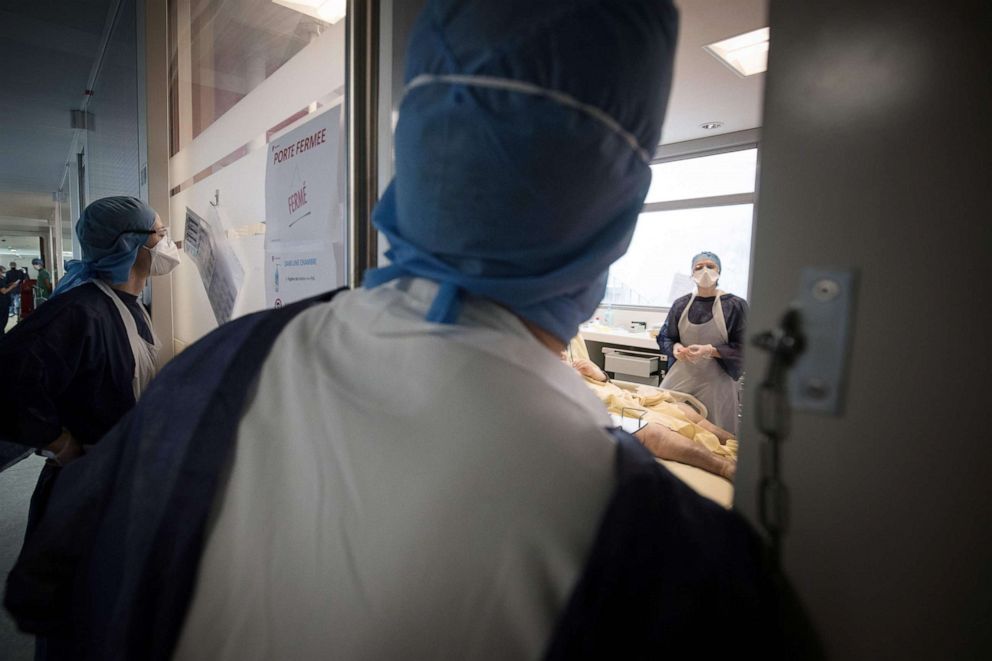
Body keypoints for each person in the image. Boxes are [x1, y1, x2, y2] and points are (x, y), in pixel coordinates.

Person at [5, 3, 780, 659]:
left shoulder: (226, 366)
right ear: (615, 216)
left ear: (416, 156)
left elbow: (48, 579)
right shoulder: (675, 563)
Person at [0, 196, 179, 526]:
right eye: (160, 232)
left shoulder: (131, 304)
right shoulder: (81, 310)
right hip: (86, 481)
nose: (168, 242)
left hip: (119, 472)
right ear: (131, 243)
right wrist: (60, 443)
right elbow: (9, 379)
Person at [658, 251, 749, 434]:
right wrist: (675, 348)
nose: (704, 271)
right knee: (666, 421)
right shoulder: (681, 305)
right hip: (682, 375)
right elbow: (666, 336)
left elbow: (745, 348)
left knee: (716, 435)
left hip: (716, 381)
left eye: (710, 266)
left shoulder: (735, 305)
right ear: (692, 274)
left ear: (719, 271)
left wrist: (710, 350)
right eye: (698, 267)